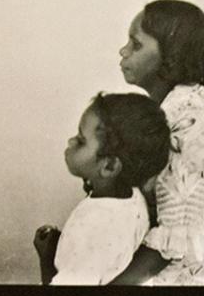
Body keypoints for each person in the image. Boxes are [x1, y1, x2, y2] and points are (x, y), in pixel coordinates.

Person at [113, 0, 204, 285]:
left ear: (170, 57)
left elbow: (169, 248)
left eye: (135, 45)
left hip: (179, 292)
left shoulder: (191, 125)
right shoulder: (173, 110)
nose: (123, 51)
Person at [33, 93, 169, 285]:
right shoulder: (133, 196)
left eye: (81, 141)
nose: (70, 142)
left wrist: (46, 257)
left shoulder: (93, 228)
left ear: (109, 167)